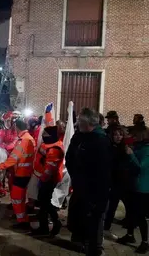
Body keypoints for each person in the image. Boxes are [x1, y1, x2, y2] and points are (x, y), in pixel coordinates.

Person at [65, 108, 112, 256]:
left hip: (95, 192)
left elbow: (103, 172)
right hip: (82, 188)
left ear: (87, 122)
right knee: (80, 217)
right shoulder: (81, 137)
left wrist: (95, 195)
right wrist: (76, 177)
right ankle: (83, 242)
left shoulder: (100, 141)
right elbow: (70, 159)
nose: (77, 123)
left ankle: (94, 248)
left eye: (79, 120)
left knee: (94, 223)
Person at [0, 119, 35, 230]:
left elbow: (14, 157)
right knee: (21, 197)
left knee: (16, 197)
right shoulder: (29, 138)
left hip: (22, 173)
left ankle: (22, 221)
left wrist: (1, 166)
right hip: (26, 172)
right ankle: (22, 217)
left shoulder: (23, 140)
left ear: (17, 128)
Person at [104, 126, 139, 240]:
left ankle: (130, 233)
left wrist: (131, 155)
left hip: (126, 184)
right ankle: (106, 229)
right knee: (111, 208)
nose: (118, 136)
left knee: (130, 209)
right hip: (114, 184)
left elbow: (136, 167)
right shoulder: (110, 148)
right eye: (115, 134)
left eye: (120, 134)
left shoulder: (127, 148)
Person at [117, 129, 149, 254]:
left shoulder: (146, 150)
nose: (132, 137)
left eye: (134, 135)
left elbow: (140, 167)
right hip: (132, 185)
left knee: (140, 216)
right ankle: (130, 235)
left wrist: (131, 154)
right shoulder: (138, 147)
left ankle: (145, 242)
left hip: (142, 188)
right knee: (130, 212)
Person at [31, 126, 64, 236]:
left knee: (44, 203)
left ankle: (51, 224)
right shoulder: (53, 145)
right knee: (44, 203)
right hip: (47, 178)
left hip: (49, 179)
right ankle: (45, 226)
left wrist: (43, 180)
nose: (43, 137)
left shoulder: (54, 149)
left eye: (45, 135)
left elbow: (50, 168)